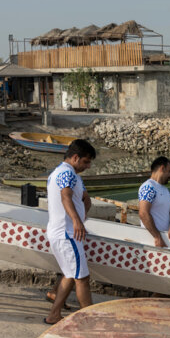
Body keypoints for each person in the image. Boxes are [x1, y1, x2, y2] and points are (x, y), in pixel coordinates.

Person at [44, 139, 96, 325]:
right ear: (75, 157)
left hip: (61, 233)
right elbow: (65, 196)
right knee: (82, 278)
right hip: (67, 234)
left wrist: (81, 217)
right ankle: (88, 319)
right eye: (86, 162)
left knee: (69, 274)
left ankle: (54, 315)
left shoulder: (62, 173)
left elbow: (85, 199)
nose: (88, 166)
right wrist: (76, 221)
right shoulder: (68, 174)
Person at [138, 156, 170, 248]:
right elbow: (143, 213)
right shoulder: (148, 187)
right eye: (169, 171)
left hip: (165, 240)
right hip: (152, 243)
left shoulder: (165, 190)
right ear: (162, 168)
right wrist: (157, 237)